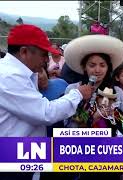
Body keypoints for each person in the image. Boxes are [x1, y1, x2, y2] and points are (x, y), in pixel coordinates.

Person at [0, 24, 93, 180]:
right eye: (43, 55)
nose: (45, 60)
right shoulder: (9, 76)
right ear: (24, 52)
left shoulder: (20, 74)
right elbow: (45, 113)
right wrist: (77, 94)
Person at [63, 35, 123, 136]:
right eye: (92, 65)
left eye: (102, 65)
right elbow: (67, 126)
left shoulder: (117, 92)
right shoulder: (73, 89)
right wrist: (94, 118)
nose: (97, 70)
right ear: (84, 67)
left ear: (108, 68)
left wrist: (114, 118)